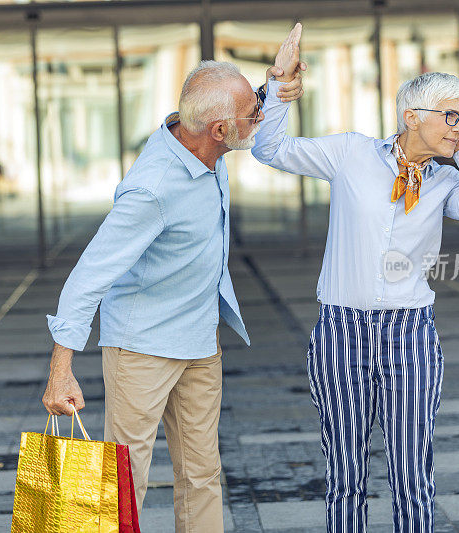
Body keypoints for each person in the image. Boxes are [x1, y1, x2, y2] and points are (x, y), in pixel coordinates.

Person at [253, 23, 459, 533]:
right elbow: (269, 149)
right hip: (340, 332)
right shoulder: (350, 154)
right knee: (345, 471)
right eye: (449, 115)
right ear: (411, 116)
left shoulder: (448, 182)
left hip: (410, 334)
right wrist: (280, 85)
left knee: (413, 471)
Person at [42, 60, 303, 532]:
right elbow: (89, 275)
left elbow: (240, 105)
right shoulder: (153, 188)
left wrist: (276, 84)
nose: (260, 117)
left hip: (200, 342)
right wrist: (60, 372)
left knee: (203, 475)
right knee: (122, 485)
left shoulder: (202, 136)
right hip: (141, 349)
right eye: (254, 112)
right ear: (221, 129)